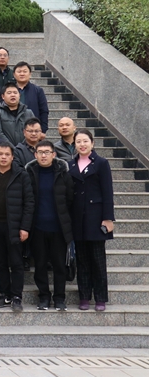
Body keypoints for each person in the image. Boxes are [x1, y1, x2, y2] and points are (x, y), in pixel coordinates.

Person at [0, 143, 34, 313]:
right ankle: (4, 294)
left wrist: (25, 227)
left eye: (7, 154)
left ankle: (16, 296)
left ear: (12, 157)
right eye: (0, 154)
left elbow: (29, 202)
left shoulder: (21, 175)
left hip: (15, 226)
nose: (3, 157)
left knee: (16, 262)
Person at [69, 129, 115, 311]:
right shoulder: (70, 164)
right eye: (78, 141)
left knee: (97, 260)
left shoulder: (101, 163)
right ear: (74, 144)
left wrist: (108, 218)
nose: (82, 144)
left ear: (92, 143)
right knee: (82, 260)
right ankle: (84, 297)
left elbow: (107, 192)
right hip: (77, 218)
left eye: (85, 141)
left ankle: (100, 298)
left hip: (96, 218)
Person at [25, 140, 74, 311]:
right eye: (40, 152)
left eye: (47, 152)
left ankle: (59, 298)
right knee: (39, 265)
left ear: (54, 154)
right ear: (35, 155)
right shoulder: (30, 173)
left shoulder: (63, 173)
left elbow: (69, 199)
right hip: (37, 228)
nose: (43, 155)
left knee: (59, 265)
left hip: (59, 228)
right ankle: (44, 297)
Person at [13, 61, 49, 134]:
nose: (22, 74)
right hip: (13, 129)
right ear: (14, 74)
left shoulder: (38, 90)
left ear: (30, 74)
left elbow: (44, 111)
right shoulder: (9, 91)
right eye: (19, 71)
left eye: (25, 71)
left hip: (33, 130)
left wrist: (43, 130)